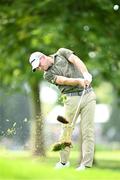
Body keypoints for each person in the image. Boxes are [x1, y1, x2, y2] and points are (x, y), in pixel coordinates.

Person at [29, 48, 96, 171]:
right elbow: (63, 80)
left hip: (88, 95)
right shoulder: (47, 75)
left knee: (88, 131)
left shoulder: (61, 53)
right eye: (37, 68)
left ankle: (85, 165)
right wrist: (79, 81)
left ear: (43, 58)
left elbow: (76, 60)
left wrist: (86, 74)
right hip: (70, 100)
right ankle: (64, 162)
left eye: (39, 65)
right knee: (66, 131)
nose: (39, 68)